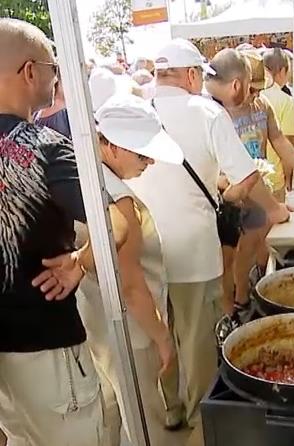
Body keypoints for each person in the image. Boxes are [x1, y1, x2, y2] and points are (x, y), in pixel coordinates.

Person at [125, 38, 289, 438]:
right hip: (194, 248)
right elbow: (247, 176)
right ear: (192, 75)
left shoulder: (136, 111)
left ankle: (172, 409)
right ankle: (202, 420)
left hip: (143, 246)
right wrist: (241, 200)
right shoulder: (206, 112)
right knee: (197, 336)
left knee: (161, 333)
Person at [0, 17, 113, 446]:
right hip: (46, 349)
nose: (56, 76)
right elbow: (116, 221)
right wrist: (81, 263)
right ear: (31, 71)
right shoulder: (45, 147)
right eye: (53, 66)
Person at [77, 94, 186, 446]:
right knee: (145, 420)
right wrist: (163, 338)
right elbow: (131, 284)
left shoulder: (85, 179)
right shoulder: (119, 200)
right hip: (131, 330)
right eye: (142, 153)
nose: (149, 161)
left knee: (110, 416)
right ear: (112, 145)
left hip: (98, 325)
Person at [205, 48, 294, 316]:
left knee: (261, 241)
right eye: (252, 89)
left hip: (260, 187)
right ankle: (239, 303)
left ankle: (255, 292)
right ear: (237, 85)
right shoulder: (215, 113)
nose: (255, 95)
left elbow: (278, 140)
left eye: (259, 89)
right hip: (231, 193)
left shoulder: (262, 106)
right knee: (234, 254)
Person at [261, 48, 294, 160]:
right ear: (283, 71)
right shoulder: (286, 100)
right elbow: (291, 144)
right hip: (278, 171)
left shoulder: (254, 97)